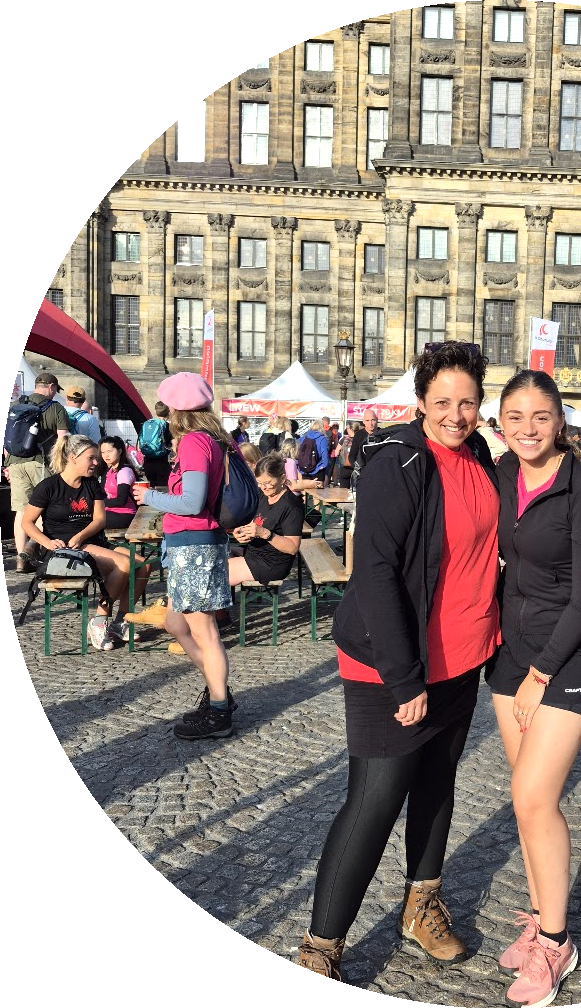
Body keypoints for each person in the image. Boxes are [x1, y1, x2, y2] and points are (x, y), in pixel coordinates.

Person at [291, 342, 500, 1004]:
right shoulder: (397, 460)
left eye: (468, 402)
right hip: (393, 660)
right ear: (420, 402)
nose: (456, 415)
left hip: (461, 657)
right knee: (375, 799)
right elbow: (376, 570)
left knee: (436, 782)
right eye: (443, 402)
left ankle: (421, 905)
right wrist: (404, 678)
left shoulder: (480, 454)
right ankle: (320, 952)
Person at [487, 370, 581, 1007]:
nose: (528, 428)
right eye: (516, 417)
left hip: (570, 655)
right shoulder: (504, 473)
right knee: (524, 799)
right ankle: (539, 919)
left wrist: (542, 675)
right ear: (501, 423)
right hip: (512, 652)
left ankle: (557, 942)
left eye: (540, 416)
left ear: (559, 421)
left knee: (535, 797)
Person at [134, 372, 236, 742]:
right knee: (177, 624)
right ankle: (218, 690)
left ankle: (219, 711)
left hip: (194, 545)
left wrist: (149, 497)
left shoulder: (194, 442)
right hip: (192, 544)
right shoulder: (211, 439)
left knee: (205, 632)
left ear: (177, 410)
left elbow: (192, 502)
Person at [22, 434, 136, 650]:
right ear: (73, 458)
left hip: (89, 541)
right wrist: (47, 542)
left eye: (96, 458)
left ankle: (120, 622)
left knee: (142, 564)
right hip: (64, 549)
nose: (96, 462)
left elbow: (100, 520)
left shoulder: (91, 484)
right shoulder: (48, 486)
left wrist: (81, 535)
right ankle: (99, 621)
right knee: (124, 564)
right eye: (91, 458)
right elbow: (27, 522)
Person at [6, 372, 70, 573]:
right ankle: (37, 551)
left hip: (15, 464)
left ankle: (20, 557)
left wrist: (8, 464)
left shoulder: (14, 406)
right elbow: (63, 440)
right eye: (55, 390)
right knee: (43, 509)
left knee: (21, 511)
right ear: (51, 387)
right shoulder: (56, 408)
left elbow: (7, 439)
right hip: (41, 463)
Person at [229, 454, 305, 588]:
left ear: (282, 479)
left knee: (218, 572)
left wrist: (265, 533)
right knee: (219, 556)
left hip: (273, 563)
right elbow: (253, 521)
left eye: (268, 483)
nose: (263, 487)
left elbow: (293, 548)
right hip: (255, 552)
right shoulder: (263, 495)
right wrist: (240, 531)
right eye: (259, 483)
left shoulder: (292, 506)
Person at [99, 436, 139, 530]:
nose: (106, 455)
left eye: (109, 451)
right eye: (103, 452)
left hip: (125, 513)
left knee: (88, 521)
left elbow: (121, 500)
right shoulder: (109, 471)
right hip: (109, 511)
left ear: (120, 451)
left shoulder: (124, 471)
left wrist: (97, 503)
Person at [139, 400, 172, 490]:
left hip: (147, 462)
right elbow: (172, 443)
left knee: (152, 488)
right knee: (162, 490)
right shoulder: (167, 426)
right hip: (161, 462)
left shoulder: (147, 423)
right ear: (168, 412)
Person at [348, 409, 383, 486]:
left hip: (379, 473)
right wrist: (358, 468)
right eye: (367, 420)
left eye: (373, 420)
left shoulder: (382, 434)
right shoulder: (358, 435)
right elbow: (352, 456)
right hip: (362, 473)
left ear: (377, 420)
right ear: (363, 421)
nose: (370, 423)